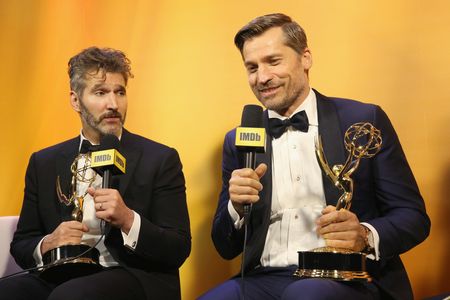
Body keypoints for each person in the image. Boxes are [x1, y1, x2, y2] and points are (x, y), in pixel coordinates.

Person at [200, 13, 430, 300]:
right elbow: (225, 247)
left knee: (307, 294)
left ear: (305, 58)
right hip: (265, 278)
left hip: (348, 277)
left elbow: (413, 218)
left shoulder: (362, 120)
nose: (262, 77)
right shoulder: (238, 140)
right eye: (251, 67)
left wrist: (364, 235)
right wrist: (235, 207)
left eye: (273, 61)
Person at [0, 47, 191, 300]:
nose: (113, 104)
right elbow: (22, 242)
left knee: (71, 296)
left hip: (133, 276)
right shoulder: (43, 162)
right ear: (75, 100)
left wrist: (128, 219)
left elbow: (178, 247)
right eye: (100, 93)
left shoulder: (160, 158)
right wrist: (48, 242)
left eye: (120, 92)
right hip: (60, 274)